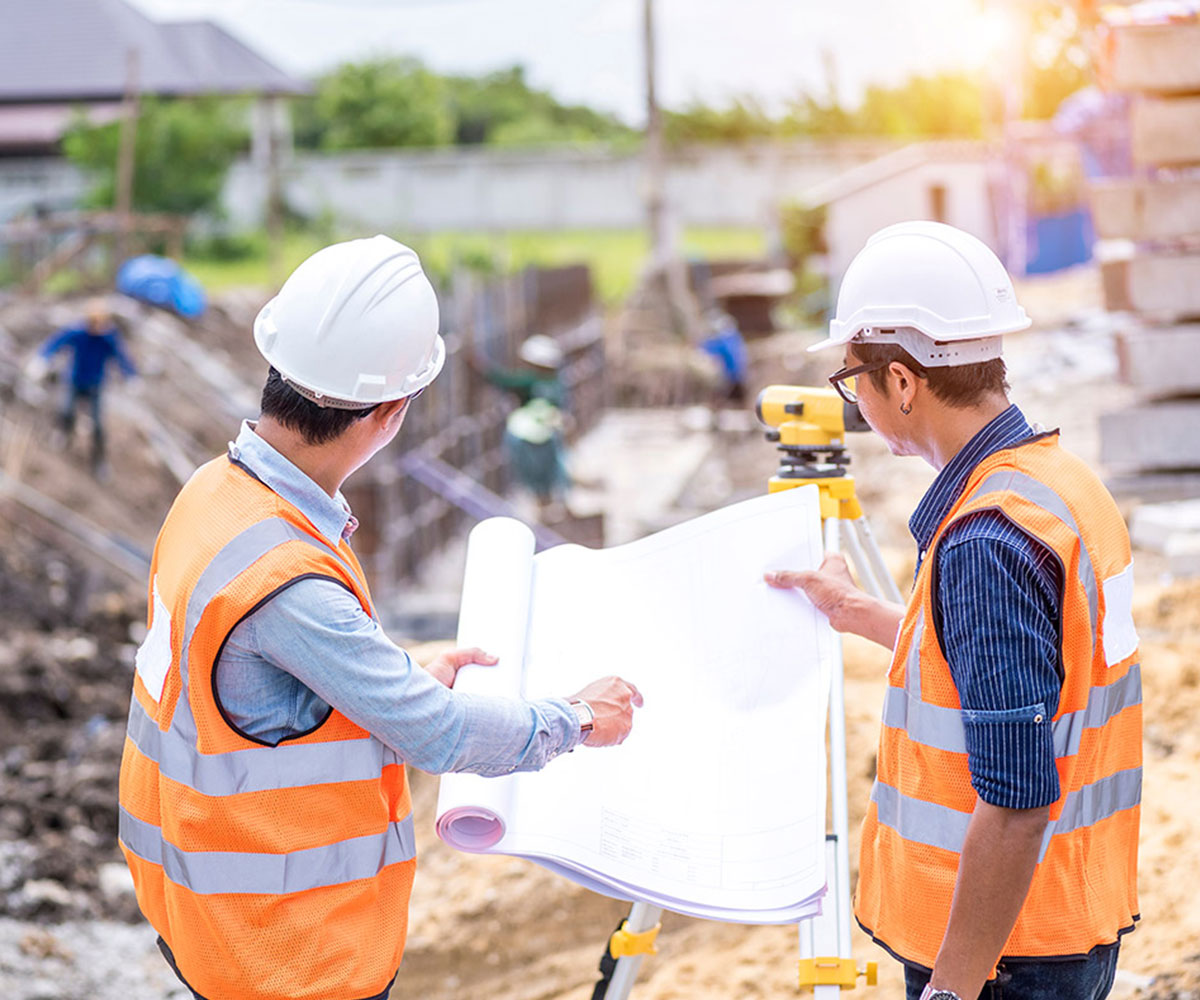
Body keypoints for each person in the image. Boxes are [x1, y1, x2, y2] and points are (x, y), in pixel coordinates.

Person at [117, 236, 643, 1000]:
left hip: (194, 909)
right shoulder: (291, 581)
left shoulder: (211, 495)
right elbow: (442, 733)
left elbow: (242, 687)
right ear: (394, 410)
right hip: (287, 953)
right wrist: (578, 718)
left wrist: (376, 679)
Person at [765, 221, 1141, 1000]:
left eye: (853, 381)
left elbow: (1015, 805)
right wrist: (861, 611)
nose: (856, 400)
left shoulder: (986, 539)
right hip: (1063, 920)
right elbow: (1020, 665)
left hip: (1002, 958)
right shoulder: (1057, 484)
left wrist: (951, 990)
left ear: (901, 382)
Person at [31, 298, 137, 476]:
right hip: (74, 380)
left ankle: (99, 461)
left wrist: (130, 376)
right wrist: (42, 359)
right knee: (66, 411)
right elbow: (55, 343)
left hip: (95, 383)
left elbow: (121, 357)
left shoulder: (108, 338)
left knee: (97, 425)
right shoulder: (78, 332)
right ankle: (64, 435)